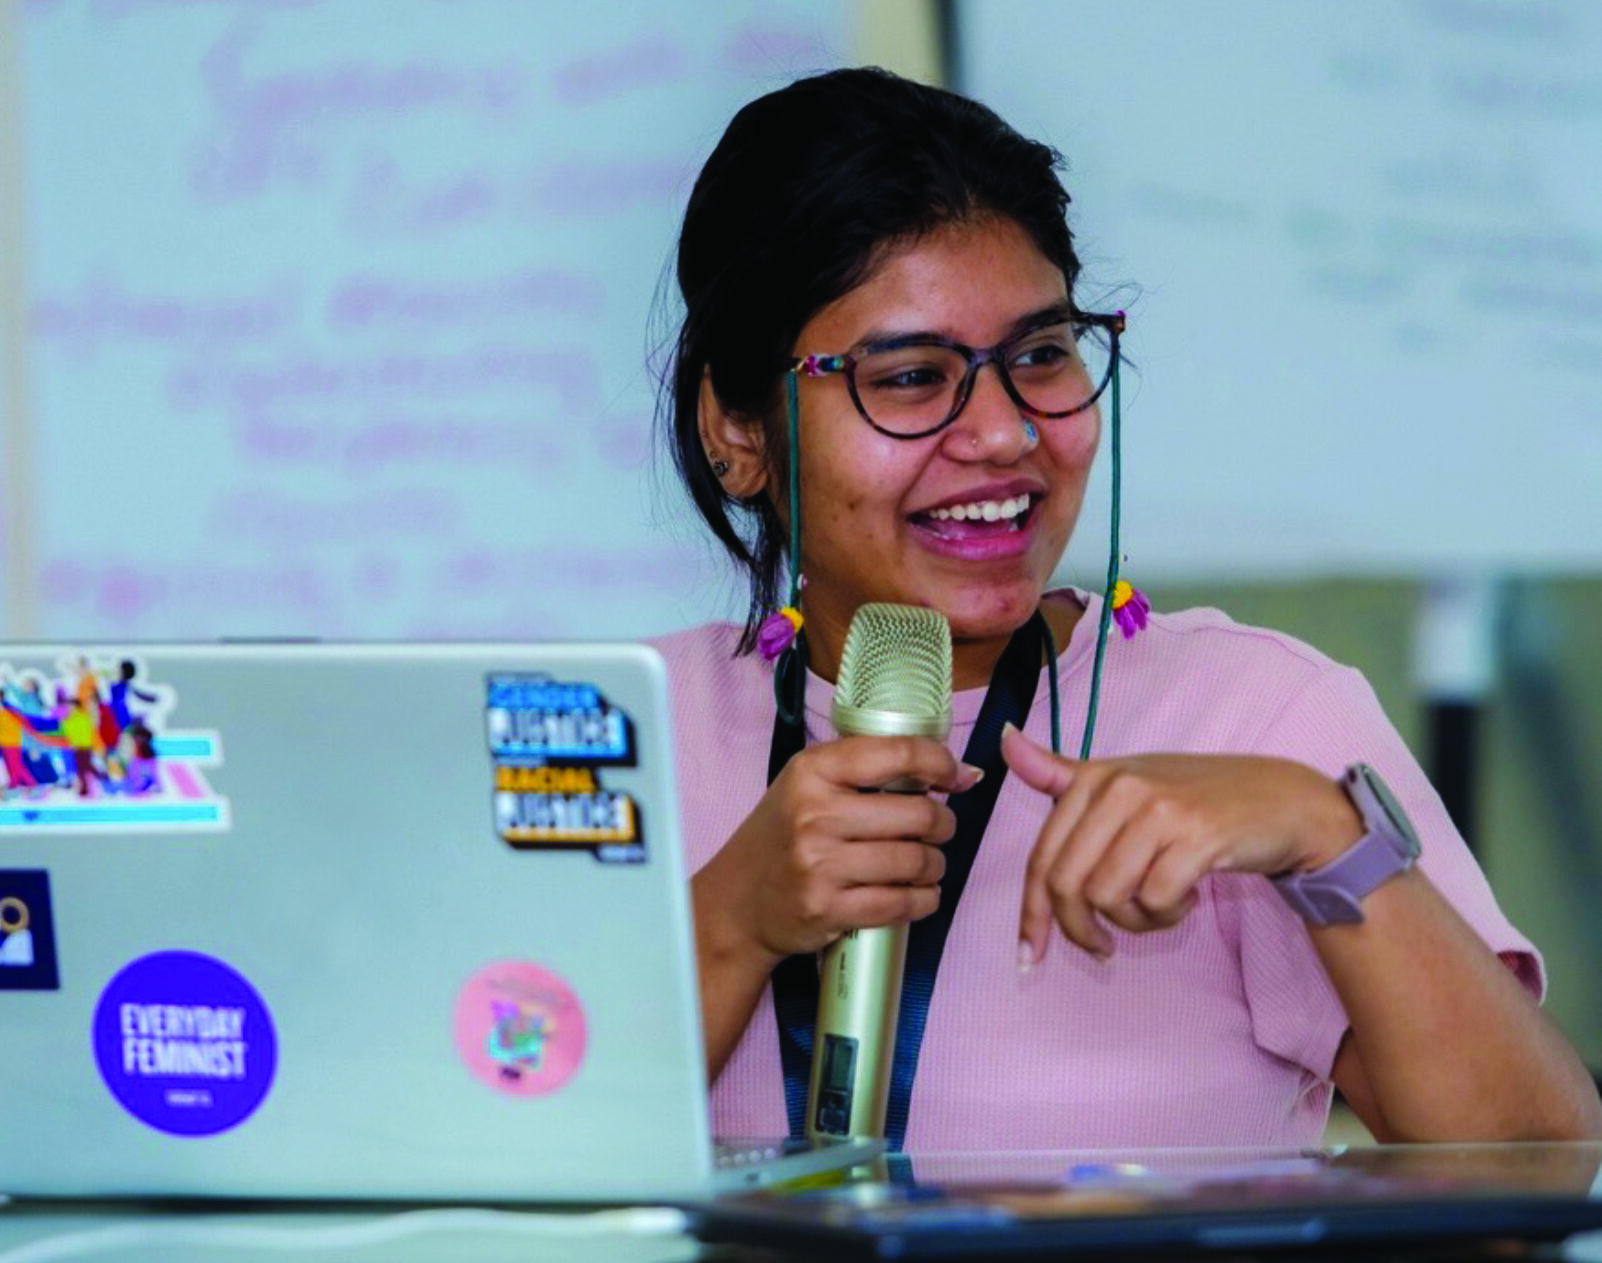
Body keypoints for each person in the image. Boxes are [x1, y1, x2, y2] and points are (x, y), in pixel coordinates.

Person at [651, 67, 1602, 1150]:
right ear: (735, 427)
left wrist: (1325, 835)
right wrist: (731, 922)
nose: (1006, 433)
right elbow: (466, 1147)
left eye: (1042, 355)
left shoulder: (1260, 718)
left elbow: (1535, 1164)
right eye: (912, 377)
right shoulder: (621, 737)